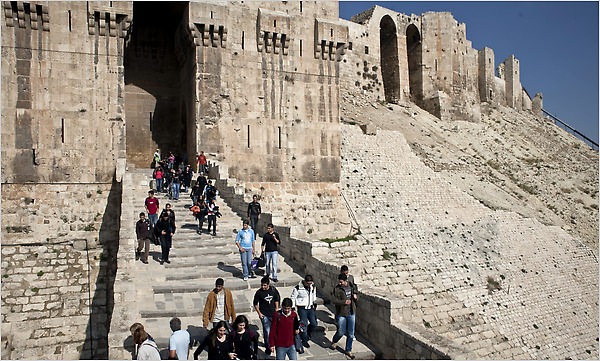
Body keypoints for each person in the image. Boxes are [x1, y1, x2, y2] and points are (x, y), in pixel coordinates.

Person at [330, 273, 357, 359]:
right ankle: (334, 341)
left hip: (351, 312)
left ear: (346, 281)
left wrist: (355, 297)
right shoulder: (337, 289)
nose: (340, 283)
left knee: (351, 333)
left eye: (341, 282)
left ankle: (348, 349)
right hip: (341, 313)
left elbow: (355, 292)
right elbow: (334, 300)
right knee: (341, 332)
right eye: (339, 282)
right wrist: (343, 302)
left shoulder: (352, 286)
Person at [253, 276, 280, 356]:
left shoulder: (273, 290)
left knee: (275, 330)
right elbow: (255, 303)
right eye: (262, 285)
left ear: (268, 284)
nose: (263, 287)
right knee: (267, 332)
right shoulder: (259, 293)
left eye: (265, 285)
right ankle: (268, 349)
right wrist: (259, 313)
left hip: (273, 314)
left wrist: (277, 309)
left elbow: (276, 299)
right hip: (264, 314)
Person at [290, 275, 318, 349]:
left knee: (314, 323)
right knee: (304, 324)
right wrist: (293, 307)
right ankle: (305, 339)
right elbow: (293, 297)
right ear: (305, 282)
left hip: (310, 307)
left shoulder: (313, 286)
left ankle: (308, 331)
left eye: (310, 283)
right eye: (308, 283)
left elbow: (313, 294)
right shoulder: (298, 288)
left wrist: (314, 303)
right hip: (302, 307)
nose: (309, 285)